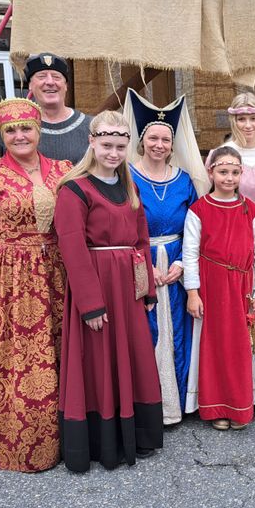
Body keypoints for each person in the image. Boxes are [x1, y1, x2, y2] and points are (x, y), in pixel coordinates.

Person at [0, 98, 72, 472]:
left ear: (39, 131)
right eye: (11, 130)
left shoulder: (64, 169)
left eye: (26, 128)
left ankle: (68, 437)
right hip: (12, 277)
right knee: (20, 359)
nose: (20, 135)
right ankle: (20, 444)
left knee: (60, 351)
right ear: (2, 135)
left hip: (58, 270)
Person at [54, 110, 163, 472]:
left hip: (128, 288)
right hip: (98, 286)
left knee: (133, 356)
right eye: (106, 145)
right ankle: (102, 442)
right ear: (92, 142)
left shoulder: (129, 187)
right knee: (99, 361)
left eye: (119, 146)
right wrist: (90, 304)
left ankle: (137, 434)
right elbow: (71, 248)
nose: (113, 153)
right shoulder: (74, 189)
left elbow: (142, 240)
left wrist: (147, 290)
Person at [124, 90, 206, 425]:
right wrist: (144, 266)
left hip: (175, 257)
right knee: (146, 328)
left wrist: (182, 264)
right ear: (142, 140)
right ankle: (148, 404)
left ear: (173, 145)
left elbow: (195, 228)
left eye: (166, 139)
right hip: (139, 259)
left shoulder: (184, 181)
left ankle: (178, 403)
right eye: (153, 138)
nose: (159, 144)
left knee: (179, 330)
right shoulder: (126, 177)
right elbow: (121, 225)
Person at [183, 146, 255, 430]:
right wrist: (193, 292)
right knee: (215, 347)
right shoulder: (199, 210)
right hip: (212, 285)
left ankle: (240, 405)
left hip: (243, 287)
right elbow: (189, 253)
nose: (229, 177)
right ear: (211, 172)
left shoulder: (251, 210)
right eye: (223, 172)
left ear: (241, 173)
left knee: (240, 347)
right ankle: (216, 407)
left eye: (235, 172)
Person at [0, 53, 91, 163]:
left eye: (56, 77)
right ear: (30, 85)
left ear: (66, 85)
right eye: (41, 76)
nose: (50, 82)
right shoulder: (10, 128)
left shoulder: (91, 126)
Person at [213, 92, 255, 212]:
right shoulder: (218, 155)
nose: (248, 125)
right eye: (242, 119)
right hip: (227, 224)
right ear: (234, 121)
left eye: (253, 119)